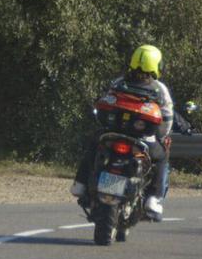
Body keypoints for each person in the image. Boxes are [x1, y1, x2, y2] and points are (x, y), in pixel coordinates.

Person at [70, 45, 175, 221]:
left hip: (112, 134)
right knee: (163, 156)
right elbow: (167, 117)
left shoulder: (119, 82)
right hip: (143, 140)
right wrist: (161, 136)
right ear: (156, 65)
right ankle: (154, 198)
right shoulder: (159, 89)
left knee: (93, 146)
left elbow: (106, 101)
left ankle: (80, 183)